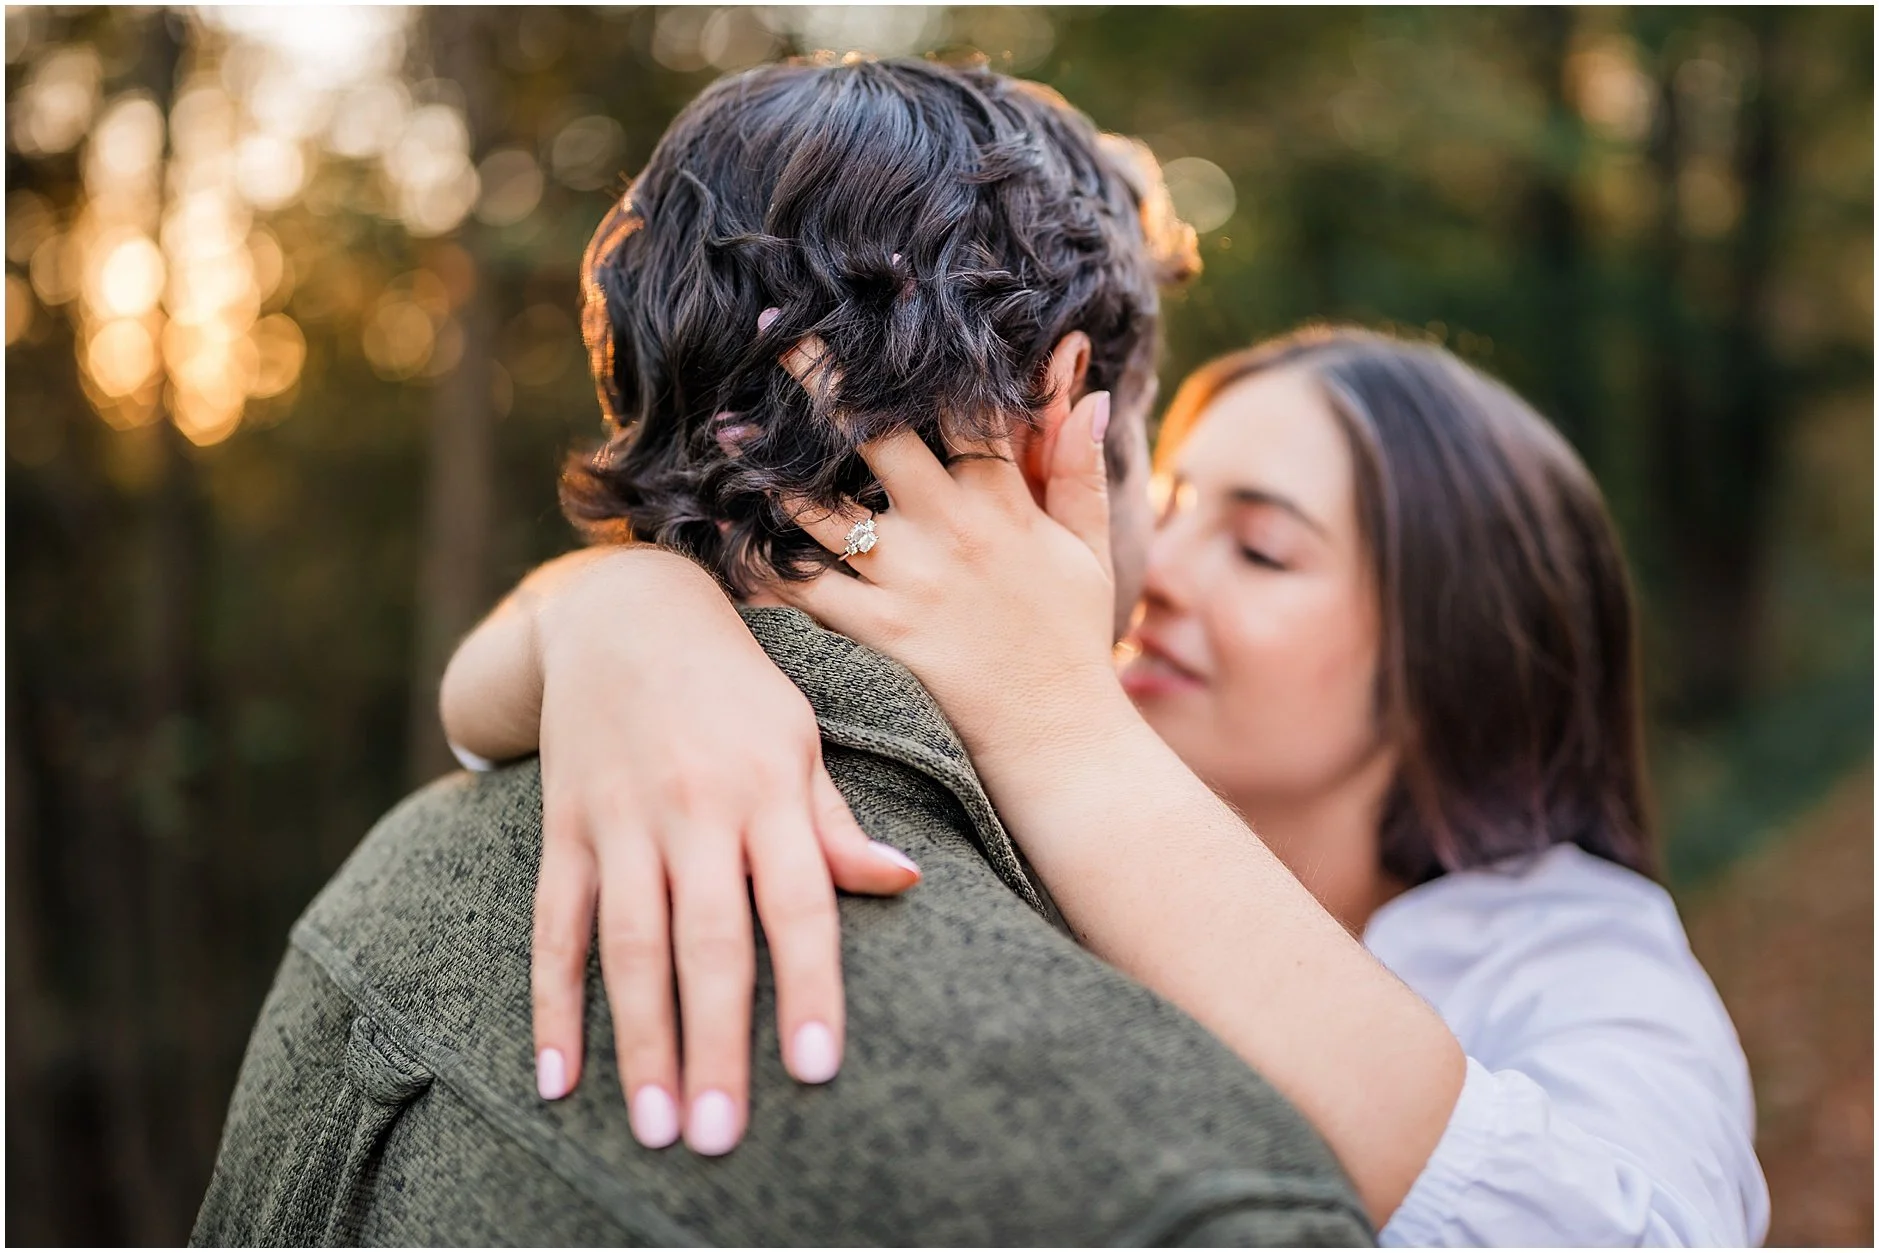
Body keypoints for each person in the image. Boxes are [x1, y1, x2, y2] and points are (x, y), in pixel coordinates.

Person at [191, 56, 1377, 1246]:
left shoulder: (391, 866)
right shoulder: (1200, 1183)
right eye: (1148, 454)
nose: (1163, 545)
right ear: (1051, 428)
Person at [444, 322, 1773, 1244]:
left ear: (1457, 652)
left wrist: (1059, 717)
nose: (1159, 570)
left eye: (1257, 549)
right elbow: (479, 712)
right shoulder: (986, 813)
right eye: (1172, 502)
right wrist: (621, 610)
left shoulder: (1582, 956)